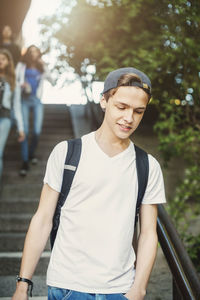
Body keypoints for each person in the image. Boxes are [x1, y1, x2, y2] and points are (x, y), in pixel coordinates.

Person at [12, 67, 166, 300]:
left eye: (138, 111)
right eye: (121, 107)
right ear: (103, 101)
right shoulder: (67, 153)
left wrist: (139, 289)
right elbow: (42, 219)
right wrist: (23, 284)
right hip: (67, 286)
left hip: (120, 290)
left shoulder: (147, 165)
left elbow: (147, 233)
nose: (129, 118)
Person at [15, 45, 53, 176]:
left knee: (37, 131)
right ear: (27, 54)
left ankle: (31, 154)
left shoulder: (41, 67)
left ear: (38, 54)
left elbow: (51, 80)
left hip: (36, 101)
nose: (33, 54)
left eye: (35, 52)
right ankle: (25, 161)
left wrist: (45, 65)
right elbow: (15, 81)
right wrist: (22, 85)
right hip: (24, 99)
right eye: (30, 52)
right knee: (24, 131)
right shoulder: (21, 65)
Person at [0, 49, 24, 186]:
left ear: (8, 62)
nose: (0, 61)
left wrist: (20, 128)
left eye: (3, 58)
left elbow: (17, 106)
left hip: (4, 118)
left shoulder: (12, 81)